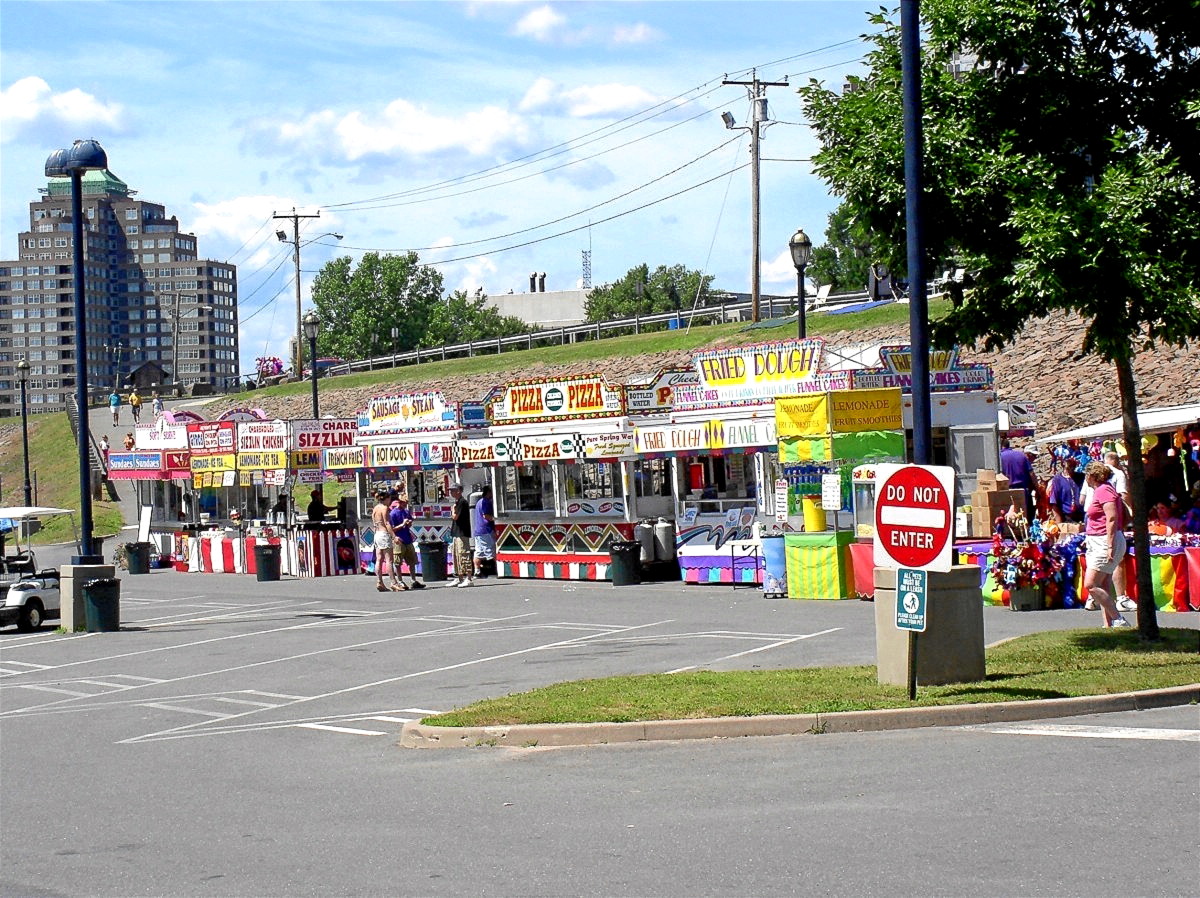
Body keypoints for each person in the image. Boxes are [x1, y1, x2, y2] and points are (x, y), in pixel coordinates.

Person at [1080, 450, 1134, 611]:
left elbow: (1111, 518)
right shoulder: (1101, 489)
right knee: (1102, 582)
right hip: (1096, 538)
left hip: (1104, 540)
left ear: (1091, 476)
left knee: (1091, 584)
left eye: (1086, 476)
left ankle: (1118, 616)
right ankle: (1109, 621)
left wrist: (1110, 545)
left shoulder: (1104, 490)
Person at [389, 495, 424, 589]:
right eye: (404, 502)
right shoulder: (393, 514)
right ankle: (400, 581)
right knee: (397, 562)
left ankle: (413, 580)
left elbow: (408, 524)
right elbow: (392, 529)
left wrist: (409, 523)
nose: (406, 504)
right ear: (399, 502)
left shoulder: (406, 511)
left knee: (412, 561)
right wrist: (402, 524)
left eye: (406, 502)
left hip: (408, 539)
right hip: (398, 540)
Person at [371, 490, 401, 592]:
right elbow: (387, 523)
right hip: (384, 534)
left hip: (377, 534)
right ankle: (393, 582)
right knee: (389, 560)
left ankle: (379, 581)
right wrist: (394, 536)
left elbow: (374, 522)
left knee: (379, 559)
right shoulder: (384, 508)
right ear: (387, 499)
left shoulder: (375, 508)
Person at [999, 438, 1035, 520]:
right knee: (1024, 517)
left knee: (1009, 517)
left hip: (1007, 490)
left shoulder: (999, 457)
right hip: (1023, 490)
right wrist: (1037, 488)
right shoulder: (1021, 455)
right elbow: (1032, 474)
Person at [449, 483, 473, 587]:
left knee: (464, 554)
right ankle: (459, 578)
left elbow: (455, 517)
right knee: (456, 555)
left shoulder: (462, 502)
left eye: (453, 490)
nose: (451, 492)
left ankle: (468, 578)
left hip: (462, 532)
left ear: (459, 491)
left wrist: (452, 510)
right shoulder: (457, 502)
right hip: (456, 532)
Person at [472, 485, 496, 579]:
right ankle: (500, 570)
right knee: (492, 551)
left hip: (478, 531)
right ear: (489, 492)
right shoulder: (485, 502)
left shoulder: (479, 502)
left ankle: (477, 571)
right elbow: (486, 516)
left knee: (478, 552)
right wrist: (496, 519)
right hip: (486, 530)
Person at [1046, 458, 1081, 523]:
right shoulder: (1057, 480)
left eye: (1073, 464)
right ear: (1063, 464)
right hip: (1066, 517)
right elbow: (1054, 503)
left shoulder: (1081, 477)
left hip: (1081, 515)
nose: (1072, 467)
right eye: (1069, 464)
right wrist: (1060, 524)